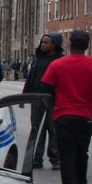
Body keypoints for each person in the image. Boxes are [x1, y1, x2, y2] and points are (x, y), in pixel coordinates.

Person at [40, 30, 92, 184]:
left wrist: (56, 99)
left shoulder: (58, 64)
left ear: (70, 44)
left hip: (64, 115)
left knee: (67, 156)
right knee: (82, 153)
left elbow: (45, 86)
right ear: (87, 45)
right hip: (85, 116)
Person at [23, 34, 64, 170]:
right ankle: (36, 159)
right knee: (37, 128)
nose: (42, 45)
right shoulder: (38, 59)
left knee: (53, 130)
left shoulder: (61, 60)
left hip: (53, 100)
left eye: (46, 42)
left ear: (54, 44)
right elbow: (31, 78)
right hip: (37, 98)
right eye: (42, 42)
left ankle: (55, 158)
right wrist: (24, 96)